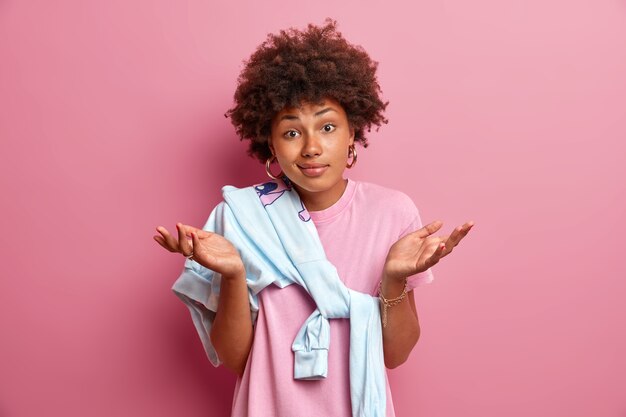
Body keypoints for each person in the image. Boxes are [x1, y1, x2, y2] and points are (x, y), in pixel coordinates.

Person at [153, 19, 473, 417]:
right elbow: (237, 360)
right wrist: (235, 274)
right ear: (269, 141)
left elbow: (396, 355)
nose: (311, 147)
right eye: (291, 133)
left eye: (327, 127)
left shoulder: (393, 213)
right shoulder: (241, 219)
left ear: (352, 132)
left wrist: (393, 277)